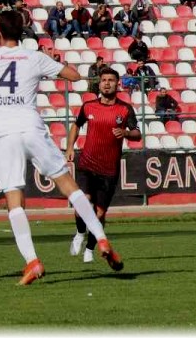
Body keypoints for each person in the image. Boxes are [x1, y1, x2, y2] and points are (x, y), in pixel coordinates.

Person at [0, 10, 124, 285]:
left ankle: (33, 261)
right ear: (24, 31)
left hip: (3, 135)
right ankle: (101, 240)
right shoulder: (34, 57)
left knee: (14, 201)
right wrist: (53, 63)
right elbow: (75, 75)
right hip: (31, 127)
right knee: (69, 186)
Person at [64, 68, 141, 264]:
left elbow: (137, 134)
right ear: (99, 84)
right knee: (83, 204)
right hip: (87, 163)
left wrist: (125, 133)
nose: (107, 83)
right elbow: (76, 125)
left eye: (111, 80)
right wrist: (70, 147)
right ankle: (80, 233)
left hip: (109, 170)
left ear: (117, 84)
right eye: (104, 80)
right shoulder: (88, 106)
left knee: (99, 213)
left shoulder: (125, 109)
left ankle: (90, 248)